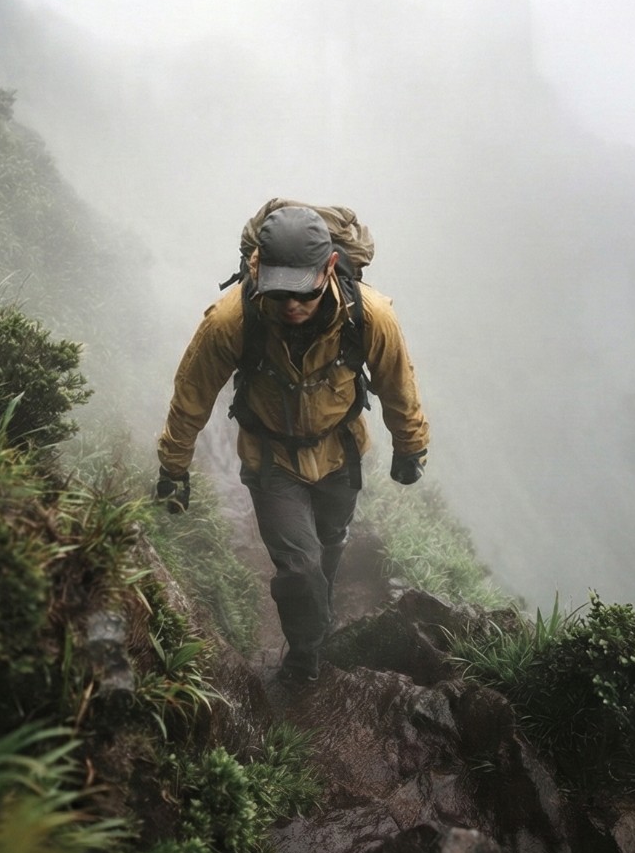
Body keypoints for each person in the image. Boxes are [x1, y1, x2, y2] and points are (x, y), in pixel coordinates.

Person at [155, 204, 430, 681]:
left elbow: (397, 384)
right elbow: (191, 396)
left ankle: (315, 619)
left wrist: (411, 447)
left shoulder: (370, 316)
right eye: (278, 292)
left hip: (339, 454)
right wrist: (173, 468)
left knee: (329, 544)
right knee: (299, 568)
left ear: (328, 269)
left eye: (301, 292)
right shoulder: (231, 321)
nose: (290, 306)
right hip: (271, 461)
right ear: (258, 269)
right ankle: (306, 653)